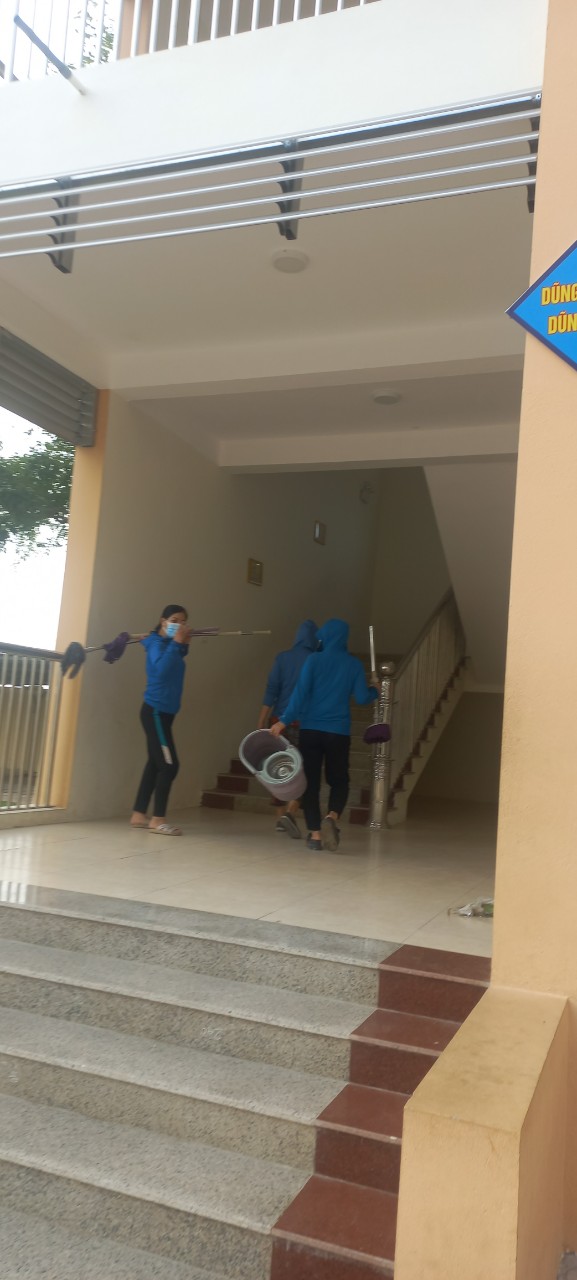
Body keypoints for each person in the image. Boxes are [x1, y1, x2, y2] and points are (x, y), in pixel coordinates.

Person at [271, 618, 378, 852]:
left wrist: (283, 721)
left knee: (310, 783)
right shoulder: (353, 664)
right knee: (339, 780)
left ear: (325, 637)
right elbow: (362, 698)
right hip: (338, 732)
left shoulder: (313, 660)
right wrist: (374, 690)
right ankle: (332, 816)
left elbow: (299, 695)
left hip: (310, 730)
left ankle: (316, 835)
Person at [130, 604, 192, 836]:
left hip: (166, 713)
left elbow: (175, 662)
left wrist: (183, 645)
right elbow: (161, 670)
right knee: (169, 765)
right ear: (163, 621)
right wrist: (177, 643)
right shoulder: (157, 644)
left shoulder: (166, 644)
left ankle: (138, 814)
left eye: (183, 621)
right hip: (155, 711)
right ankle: (157, 819)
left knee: (155, 763)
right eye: (174, 620)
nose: (179, 624)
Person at [257, 620, 318, 839]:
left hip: (278, 723)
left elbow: (271, 691)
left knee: (277, 770)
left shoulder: (282, 658)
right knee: (302, 771)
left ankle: (280, 818)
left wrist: (261, 722)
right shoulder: (315, 660)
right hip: (305, 724)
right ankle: (291, 812)